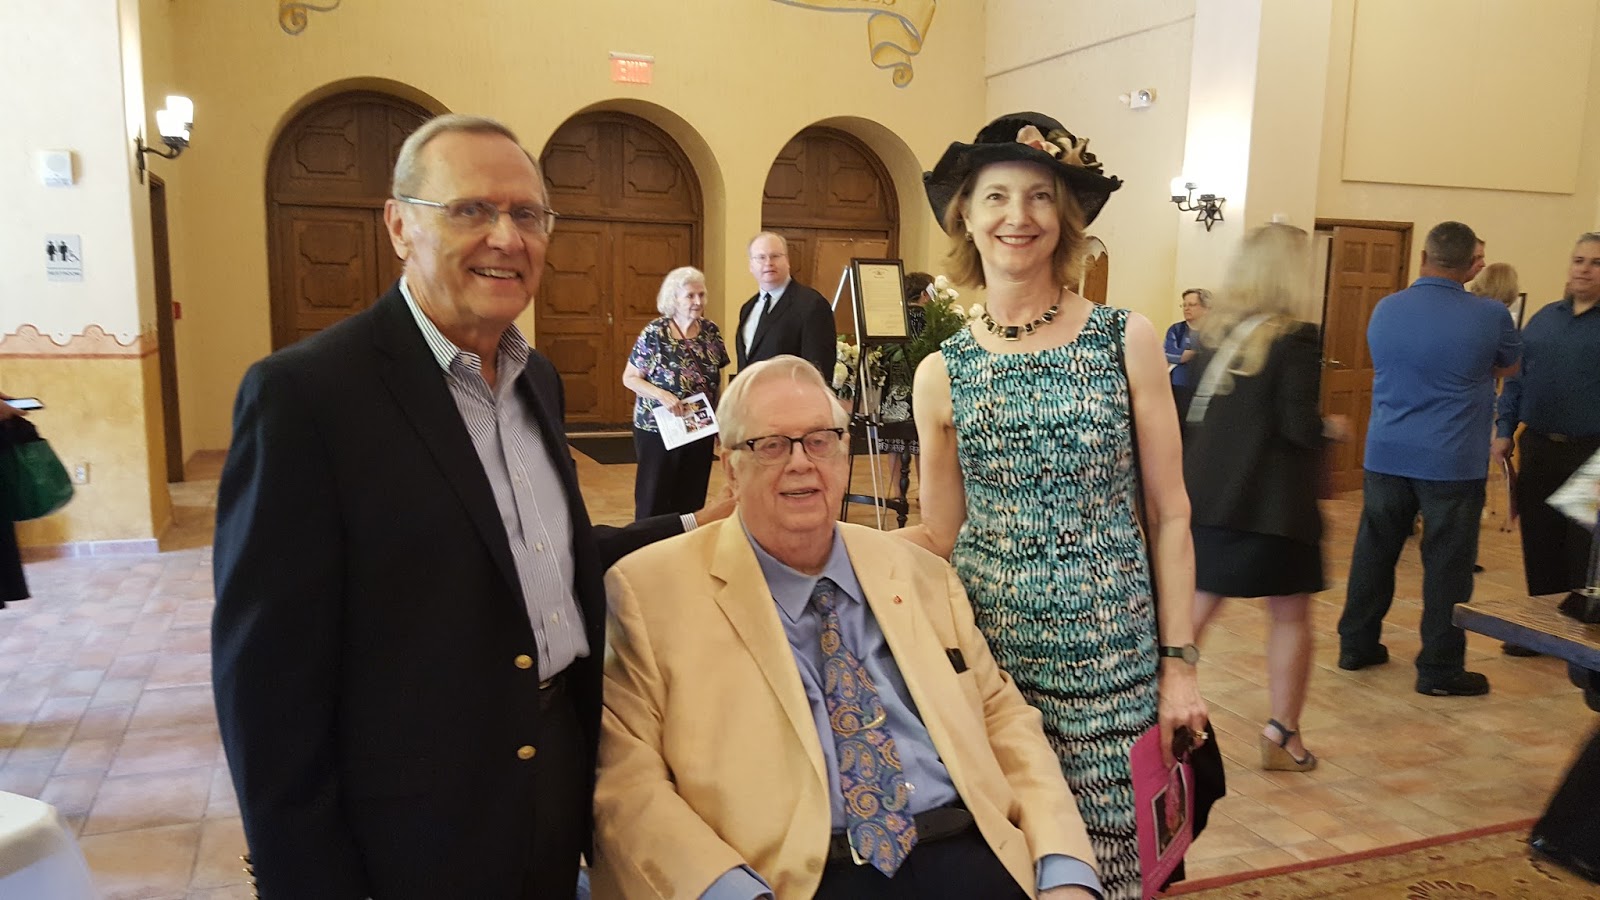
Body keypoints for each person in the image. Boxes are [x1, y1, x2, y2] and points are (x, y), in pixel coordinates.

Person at [211, 114, 729, 900]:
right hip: (414, 824)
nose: (507, 237)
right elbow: (266, 685)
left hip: (553, 783)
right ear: (399, 226)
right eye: (470, 210)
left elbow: (535, 565)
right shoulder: (308, 397)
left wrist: (691, 524)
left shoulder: (536, 382)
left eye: (527, 215)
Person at [591, 355, 1100, 900]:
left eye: (821, 439)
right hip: (795, 878)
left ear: (845, 452)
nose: (802, 463)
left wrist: (1065, 867)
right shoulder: (650, 593)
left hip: (969, 850)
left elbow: (1004, 720)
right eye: (770, 444)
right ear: (729, 468)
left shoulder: (923, 576)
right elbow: (628, 783)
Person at [903, 111, 1207, 899]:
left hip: (1115, 669)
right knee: (1013, 858)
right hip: (995, 669)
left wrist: (1179, 669)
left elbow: (1170, 513)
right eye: (996, 196)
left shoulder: (1124, 338)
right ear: (965, 217)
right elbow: (939, 533)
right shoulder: (942, 371)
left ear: (1064, 218)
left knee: (1124, 867)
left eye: (1040, 197)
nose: (1018, 216)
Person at [1337, 221, 1520, 698]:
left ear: (1424, 255)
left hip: (1386, 451)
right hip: (1450, 458)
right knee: (1447, 566)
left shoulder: (1386, 307)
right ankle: (1439, 669)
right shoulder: (1491, 314)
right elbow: (1510, 366)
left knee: (1374, 552)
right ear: (1469, 265)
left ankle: (1356, 645)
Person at [1185, 224, 1343, 772]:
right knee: (1291, 617)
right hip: (1274, 507)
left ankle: (1151, 715)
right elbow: (1298, 426)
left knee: (1191, 617)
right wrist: (1333, 430)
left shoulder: (1212, 336)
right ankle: (1282, 732)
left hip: (1210, 498)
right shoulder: (1295, 338)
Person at [1495, 234, 1600, 610]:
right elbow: (1515, 380)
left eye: (1595, 263)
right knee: (1539, 538)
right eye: (1578, 260)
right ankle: (1540, 624)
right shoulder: (1543, 319)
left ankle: (1577, 633)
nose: (1584, 269)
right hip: (1538, 445)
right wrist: (1504, 431)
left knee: (1583, 547)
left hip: (1591, 455)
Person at [622, 266, 730, 520]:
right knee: (654, 497)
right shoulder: (655, 333)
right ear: (674, 298)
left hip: (699, 426)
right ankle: (649, 549)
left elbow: (717, 380)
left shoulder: (711, 332)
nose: (698, 302)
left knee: (691, 498)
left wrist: (720, 420)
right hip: (658, 428)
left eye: (701, 295)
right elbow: (629, 378)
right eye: (690, 296)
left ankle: (683, 548)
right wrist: (661, 395)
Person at [736, 232, 836, 379]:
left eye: (775, 256)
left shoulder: (811, 305)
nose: (768, 262)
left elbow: (819, 370)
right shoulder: (748, 308)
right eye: (761, 257)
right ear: (751, 265)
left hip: (790, 400)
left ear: (787, 260)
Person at [875, 272, 932, 501]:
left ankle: (897, 493)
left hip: (894, 390)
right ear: (925, 294)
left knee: (895, 443)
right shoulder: (929, 319)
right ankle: (925, 493)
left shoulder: (892, 319)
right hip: (921, 388)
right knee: (924, 443)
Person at [1164, 288, 1210, 420]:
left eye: (1192, 305)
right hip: (1178, 387)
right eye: (1184, 305)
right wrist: (1197, 352)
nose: (1186, 308)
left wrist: (1188, 353)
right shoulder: (1176, 329)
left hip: (1205, 389)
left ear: (1206, 308)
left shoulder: (1214, 331)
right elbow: (1169, 354)